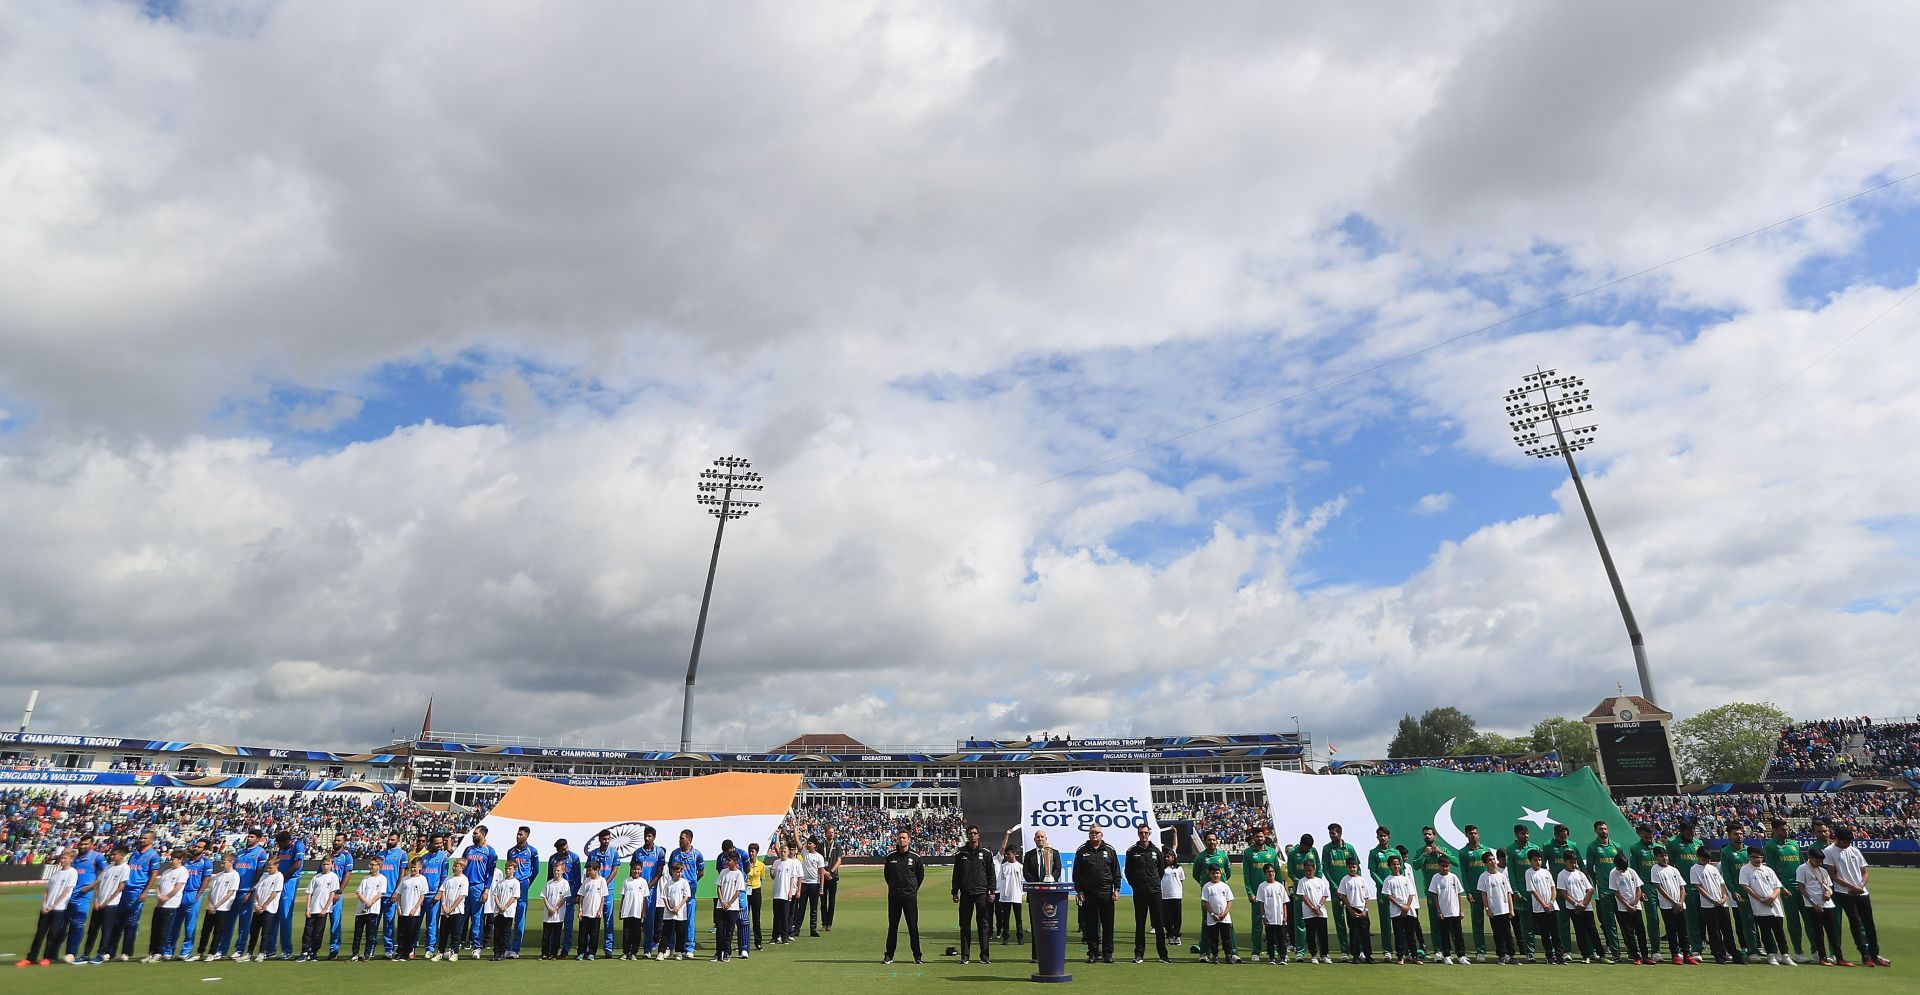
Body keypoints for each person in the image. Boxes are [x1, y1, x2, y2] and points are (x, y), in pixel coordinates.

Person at [1824, 826, 1888, 967]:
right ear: (1837, 839)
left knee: (1869, 924)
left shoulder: (1854, 851)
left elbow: (1864, 872)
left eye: (1849, 841)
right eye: (1845, 841)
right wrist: (1852, 887)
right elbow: (1832, 875)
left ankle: (1875, 954)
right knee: (1856, 923)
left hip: (1862, 892)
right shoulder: (1829, 851)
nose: (1847, 844)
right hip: (1845, 893)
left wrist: (1860, 886)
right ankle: (1865, 956)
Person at [1073, 825, 1120, 964]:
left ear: (1101, 834)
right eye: (1092, 833)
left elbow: (1116, 872)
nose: (1094, 835)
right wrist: (1079, 890)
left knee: (1108, 924)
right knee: (1091, 925)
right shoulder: (1082, 851)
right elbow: (1077, 874)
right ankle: (1093, 953)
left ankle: (1107, 953)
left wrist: (1116, 889)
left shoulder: (1110, 850)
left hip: (1106, 892)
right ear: (1089, 835)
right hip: (1088, 893)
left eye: (1097, 833)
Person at [22, 849, 76, 966]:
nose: (62, 860)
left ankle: (48, 957)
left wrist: (53, 906)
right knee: (40, 933)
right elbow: (47, 890)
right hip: (46, 908)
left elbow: (66, 892)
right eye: (62, 858)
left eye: (65, 858)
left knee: (52, 934)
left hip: (59, 909)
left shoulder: (72, 873)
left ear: (71, 859)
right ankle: (31, 957)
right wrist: (44, 904)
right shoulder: (56, 873)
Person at [950, 824, 995, 965]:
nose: (972, 836)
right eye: (970, 833)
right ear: (967, 836)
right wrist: (954, 891)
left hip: (981, 893)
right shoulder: (961, 853)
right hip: (966, 893)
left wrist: (992, 890)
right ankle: (965, 956)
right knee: (965, 925)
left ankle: (985, 956)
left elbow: (991, 873)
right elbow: (956, 874)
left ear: (978, 835)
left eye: (975, 833)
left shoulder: (986, 852)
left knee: (983, 925)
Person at [1765, 817, 1808, 964]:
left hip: (1801, 887)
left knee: (1809, 920)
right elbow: (1771, 869)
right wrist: (1781, 887)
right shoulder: (1770, 846)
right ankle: (1798, 951)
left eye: (1786, 828)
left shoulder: (1794, 844)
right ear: (1775, 830)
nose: (1786, 831)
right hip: (1786, 889)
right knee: (1793, 921)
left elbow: (1803, 866)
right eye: (1782, 829)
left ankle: (1816, 951)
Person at [1737, 845, 1790, 966]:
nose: (1758, 860)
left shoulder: (1768, 870)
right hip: (1760, 907)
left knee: (1779, 932)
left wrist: (1772, 897)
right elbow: (1746, 886)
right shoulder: (1745, 869)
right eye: (1754, 857)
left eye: (1760, 857)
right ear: (1749, 857)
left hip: (1774, 905)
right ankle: (1771, 955)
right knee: (1765, 932)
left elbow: (1777, 886)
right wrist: (1761, 899)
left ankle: (1785, 955)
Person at [115, 830, 163, 961]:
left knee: (131, 922)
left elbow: (153, 874)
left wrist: (145, 891)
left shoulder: (153, 855)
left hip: (138, 890)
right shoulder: (134, 853)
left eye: (145, 838)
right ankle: (110, 951)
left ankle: (127, 952)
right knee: (118, 921)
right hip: (126, 889)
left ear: (151, 840)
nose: (142, 840)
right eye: (141, 837)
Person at [1124, 823, 1167, 963]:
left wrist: (1154, 882)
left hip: (1155, 891)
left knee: (1159, 925)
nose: (1144, 835)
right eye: (1141, 833)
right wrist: (1135, 885)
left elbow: (1161, 871)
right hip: (1140, 892)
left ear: (1149, 834)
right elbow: (1128, 872)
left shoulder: (1156, 851)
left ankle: (1163, 955)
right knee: (1140, 924)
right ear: (1138, 834)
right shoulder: (1132, 851)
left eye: (1146, 833)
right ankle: (1139, 954)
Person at [880, 830, 925, 965]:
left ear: (909, 840)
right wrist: (894, 888)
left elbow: (920, 876)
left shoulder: (915, 857)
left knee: (912, 927)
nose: (902, 840)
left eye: (904, 838)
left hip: (909, 897)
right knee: (893, 926)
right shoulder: (890, 857)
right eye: (900, 838)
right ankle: (889, 955)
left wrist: (912, 889)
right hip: (894, 897)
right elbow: (887, 876)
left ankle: (917, 956)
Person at [1414, 826, 1458, 961]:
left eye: (1429, 834)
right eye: (1425, 834)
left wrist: (1441, 853)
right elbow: (1415, 865)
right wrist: (1424, 855)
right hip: (1431, 892)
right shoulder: (1421, 851)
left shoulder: (1442, 850)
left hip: (1448, 893)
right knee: (1435, 922)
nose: (1427, 836)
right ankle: (1438, 950)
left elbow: (1456, 862)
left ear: (1435, 836)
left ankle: (1454, 949)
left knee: (1451, 921)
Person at [1796, 849, 1844, 966]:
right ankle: (1822, 958)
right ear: (1810, 857)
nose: (1819, 863)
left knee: (1833, 932)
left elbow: (1829, 886)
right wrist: (1813, 903)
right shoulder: (1802, 869)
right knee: (1818, 932)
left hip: (1828, 905)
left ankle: (1840, 957)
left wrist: (1828, 894)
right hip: (1813, 905)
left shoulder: (1823, 870)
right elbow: (1801, 887)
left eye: (1820, 861)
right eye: (1816, 861)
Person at [1691, 848, 1738, 964]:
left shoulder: (1713, 868)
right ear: (1698, 856)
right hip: (1708, 905)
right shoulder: (1694, 869)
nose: (1705, 861)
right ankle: (1718, 953)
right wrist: (1712, 900)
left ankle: (1731, 952)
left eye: (1707, 859)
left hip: (1722, 903)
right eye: (1703, 859)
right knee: (1714, 930)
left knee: (1727, 929)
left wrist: (1724, 898)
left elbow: (1722, 884)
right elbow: (1698, 887)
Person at [1584, 820, 1623, 960]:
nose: (1604, 831)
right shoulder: (1592, 847)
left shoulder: (1616, 846)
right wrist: (1597, 882)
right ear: (1596, 831)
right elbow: (1589, 868)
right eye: (1600, 829)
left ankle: (1631, 951)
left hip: (1620, 889)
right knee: (1609, 923)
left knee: (1624, 921)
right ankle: (1615, 951)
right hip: (1604, 890)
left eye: (1605, 828)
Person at [1649, 846, 1693, 965]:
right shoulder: (1655, 869)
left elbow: (1682, 887)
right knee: (1671, 931)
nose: (1664, 858)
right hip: (1667, 906)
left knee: (1683, 931)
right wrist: (1674, 902)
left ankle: (1687, 954)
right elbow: (1659, 887)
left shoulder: (1674, 870)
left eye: (1666, 855)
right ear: (1656, 857)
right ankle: (1675, 954)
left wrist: (1680, 902)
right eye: (1661, 856)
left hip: (1680, 905)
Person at [228, 830, 267, 963]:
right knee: (229, 921)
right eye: (248, 836)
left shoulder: (260, 853)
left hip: (246, 891)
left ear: (258, 839)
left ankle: (240, 949)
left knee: (244, 923)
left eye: (252, 837)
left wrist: (251, 891)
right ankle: (222, 949)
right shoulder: (240, 853)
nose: (249, 838)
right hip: (234, 891)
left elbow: (259, 873)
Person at [626, 826, 667, 956]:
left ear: (654, 837)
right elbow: (632, 870)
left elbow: (659, 872)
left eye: (649, 836)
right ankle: (632, 948)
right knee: (634, 918)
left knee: (649, 919)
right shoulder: (638, 852)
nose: (647, 838)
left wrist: (647, 886)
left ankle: (648, 948)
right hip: (636, 890)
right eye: (645, 835)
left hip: (651, 890)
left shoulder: (659, 852)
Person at [1457, 824, 1495, 960]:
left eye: (1475, 833)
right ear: (1466, 835)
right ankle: (1480, 951)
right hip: (1475, 891)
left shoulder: (1485, 850)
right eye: (1471, 833)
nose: (1474, 836)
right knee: (1477, 921)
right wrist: (1468, 892)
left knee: (1496, 920)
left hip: (1490, 891)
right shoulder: (1463, 853)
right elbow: (1464, 873)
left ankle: (1501, 951)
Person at [192, 853, 239, 962]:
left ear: (231, 862)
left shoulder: (235, 875)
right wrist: (210, 904)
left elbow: (230, 892)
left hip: (223, 908)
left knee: (218, 931)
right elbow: (211, 891)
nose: (222, 865)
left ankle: (212, 953)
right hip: (211, 907)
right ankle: (200, 952)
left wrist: (217, 905)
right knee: (205, 931)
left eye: (224, 863)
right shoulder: (218, 875)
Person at [144, 850, 189, 963]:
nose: (171, 861)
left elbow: (178, 887)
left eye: (173, 859)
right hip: (159, 904)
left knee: (164, 930)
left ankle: (159, 952)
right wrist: (159, 895)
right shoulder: (167, 871)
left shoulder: (183, 871)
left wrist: (167, 897)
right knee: (155, 929)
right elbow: (159, 886)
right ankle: (152, 951)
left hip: (171, 904)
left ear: (180, 860)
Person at [1556, 850, 1601, 963]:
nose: (1574, 864)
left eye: (1575, 862)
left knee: (1592, 930)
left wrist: (1583, 904)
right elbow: (1564, 893)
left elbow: (1590, 889)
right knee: (1580, 931)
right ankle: (1585, 955)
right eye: (1571, 862)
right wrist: (1576, 904)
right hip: (1573, 908)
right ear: (1565, 861)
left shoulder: (1580, 873)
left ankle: (1601, 953)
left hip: (1586, 907)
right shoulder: (1562, 875)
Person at [88, 845, 130, 964]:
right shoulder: (108, 867)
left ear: (121, 855)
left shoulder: (125, 868)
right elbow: (99, 883)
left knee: (106, 930)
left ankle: (101, 954)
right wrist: (96, 900)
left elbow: (121, 886)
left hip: (111, 905)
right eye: (112, 854)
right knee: (92, 929)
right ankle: (86, 953)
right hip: (99, 903)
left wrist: (107, 901)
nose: (112, 856)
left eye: (115, 854)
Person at [1628, 823, 1665, 960]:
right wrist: (1641, 890)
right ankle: (1655, 950)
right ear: (1640, 834)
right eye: (1646, 837)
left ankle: (1676, 949)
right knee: (1653, 919)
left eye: (1651, 837)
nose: (1649, 839)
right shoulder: (1635, 849)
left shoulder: (1659, 848)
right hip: (1647, 886)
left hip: (1662, 886)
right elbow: (1635, 871)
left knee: (1670, 917)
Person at [1474, 850, 1517, 965]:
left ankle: (1511, 955)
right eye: (1490, 860)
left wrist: (1511, 909)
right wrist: (1487, 909)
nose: (1493, 862)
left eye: (1493, 859)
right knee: (1497, 934)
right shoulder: (1483, 877)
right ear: (1485, 863)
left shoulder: (1502, 876)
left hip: (1505, 909)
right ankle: (1501, 956)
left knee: (1508, 933)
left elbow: (1508, 893)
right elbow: (1484, 894)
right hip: (1494, 911)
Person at [1321, 824, 1358, 956]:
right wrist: (1334, 886)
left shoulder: (1349, 848)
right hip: (1336, 890)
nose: (1331, 836)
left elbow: (1357, 865)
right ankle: (1344, 950)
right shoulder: (1327, 849)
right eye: (1330, 833)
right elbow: (1325, 869)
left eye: (1333, 833)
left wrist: (1357, 884)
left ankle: (1357, 949)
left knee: (1354, 920)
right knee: (1339, 920)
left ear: (1340, 833)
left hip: (1351, 890)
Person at [1721, 826, 1758, 962]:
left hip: (1755, 892)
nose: (1739, 836)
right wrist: (1733, 890)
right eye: (1735, 834)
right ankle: (1748, 947)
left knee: (1758, 921)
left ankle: (1758, 946)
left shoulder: (1749, 850)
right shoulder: (1726, 852)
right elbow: (1727, 874)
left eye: (1741, 833)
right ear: (1729, 836)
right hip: (1739, 893)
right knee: (1744, 921)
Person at [1241, 828, 1279, 958]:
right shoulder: (1248, 853)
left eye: (1262, 836)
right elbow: (1246, 875)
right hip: (1257, 895)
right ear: (1253, 838)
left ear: (1265, 837)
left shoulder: (1272, 852)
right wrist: (1250, 893)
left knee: (1273, 924)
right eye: (1257, 837)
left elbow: (1277, 873)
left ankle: (1273, 951)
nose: (1260, 839)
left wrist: (1279, 891)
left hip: (1272, 894)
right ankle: (1256, 951)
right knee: (1257, 924)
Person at [237, 853, 281, 962]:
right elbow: (256, 892)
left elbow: (274, 894)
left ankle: (262, 952)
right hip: (257, 908)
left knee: (265, 933)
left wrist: (264, 905)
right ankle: (249, 952)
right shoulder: (264, 877)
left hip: (269, 909)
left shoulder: (279, 876)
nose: (268, 869)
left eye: (270, 867)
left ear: (276, 865)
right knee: (254, 931)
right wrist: (256, 905)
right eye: (267, 867)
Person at [1608, 853, 1652, 965]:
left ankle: (1645, 955)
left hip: (1636, 907)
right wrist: (1627, 905)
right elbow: (1616, 892)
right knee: (1629, 933)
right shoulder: (1613, 873)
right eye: (1622, 868)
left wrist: (1635, 902)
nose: (1624, 871)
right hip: (1623, 908)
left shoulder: (1631, 871)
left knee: (1641, 932)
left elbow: (1638, 888)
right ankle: (1635, 956)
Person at [296, 854, 340, 962]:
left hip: (322, 910)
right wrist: (308, 909)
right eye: (324, 864)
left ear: (331, 865)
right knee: (307, 932)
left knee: (318, 933)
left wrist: (325, 909)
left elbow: (332, 894)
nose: (325, 866)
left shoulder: (333, 877)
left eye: (327, 864)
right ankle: (305, 951)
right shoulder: (316, 877)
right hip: (313, 909)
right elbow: (310, 894)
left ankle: (314, 952)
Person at [462, 825, 499, 953]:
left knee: (477, 916)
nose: (473, 836)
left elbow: (490, 873)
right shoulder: (468, 850)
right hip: (464, 886)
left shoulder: (490, 851)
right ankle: (457, 944)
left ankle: (477, 945)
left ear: (483, 835)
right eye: (473, 834)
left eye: (476, 834)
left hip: (478, 886)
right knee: (461, 915)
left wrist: (487, 889)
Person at [1505, 824, 1540, 960]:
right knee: (1526, 923)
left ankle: (1551, 950)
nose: (1525, 836)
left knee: (1544, 921)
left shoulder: (1535, 848)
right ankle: (1529, 953)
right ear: (1516, 835)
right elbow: (1512, 873)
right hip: (1522, 889)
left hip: (1537, 889)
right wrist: (1515, 891)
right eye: (1521, 833)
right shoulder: (1511, 850)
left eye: (1526, 833)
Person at [270, 829, 305, 960]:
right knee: (272, 914)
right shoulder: (282, 848)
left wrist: (282, 877)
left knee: (285, 915)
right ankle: (270, 949)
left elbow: (297, 865)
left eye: (280, 844)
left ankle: (286, 949)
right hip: (280, 879)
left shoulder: (297, 845)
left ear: (287, 841)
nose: (279, 847)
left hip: (290, 881)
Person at [1367, 827, 1401, 960]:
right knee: (1385, 921)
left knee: (1399, 922)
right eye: (1380, 836)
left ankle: (1401, 950)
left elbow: (1401, 870)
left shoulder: (1395, 852)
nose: (1382, 838)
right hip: (1382, 892)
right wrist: (1384, 886)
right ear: (1377, 837)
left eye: (1385, 835)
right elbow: (1373, 872)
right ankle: (1387, 950)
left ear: (1389, 837)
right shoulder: (1374, 852)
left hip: (1397, 892)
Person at [1424, 854, 1466, 964]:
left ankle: (1461, 955)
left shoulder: (1453, 877)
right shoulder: (1436, 878)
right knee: (1444, 935)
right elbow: (1435, 896)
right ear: (1439, 866)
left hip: (1455, 911)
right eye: (1443, 866)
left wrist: (1461, 910)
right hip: (1443, 912)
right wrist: (1438, 911)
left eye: (1447, 866)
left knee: (1458, 935)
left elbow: (1459, 894)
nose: (1445, 868)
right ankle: (1447, 955)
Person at [1523, 850, 1562, 964]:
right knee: (1545, 934)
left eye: (1539, 860)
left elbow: (1553, 888)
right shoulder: (1528, 873)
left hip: (1552, 907)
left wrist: (1551, 902)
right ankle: (1549, 955)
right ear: (1530, 861)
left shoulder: (1546, 872)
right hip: (1539, 909)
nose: (1538, 862)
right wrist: (1543, 904)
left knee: (1556, 933)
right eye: (1535, 860)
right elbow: (1532, 891)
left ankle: (1559, 955)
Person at [545, 838, 582, 957]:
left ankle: (565, 949)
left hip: (569, 896)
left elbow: (577, 878)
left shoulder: (574, 858)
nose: (566, 850)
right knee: (554, 923)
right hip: (555, 896)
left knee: (568, 924)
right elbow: (549, 878)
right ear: (558, 850)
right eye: (563, 849)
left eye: (566, 847)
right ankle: (551, 950)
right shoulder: (553, 859)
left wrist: (576, 895)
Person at [1381, 854, 1420, 964]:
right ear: (1389, 866)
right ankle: (1400, 956)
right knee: (1399, 935)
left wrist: (1407, 906)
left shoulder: (1406, 879)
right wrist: (1400, 906)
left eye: (1398, 864)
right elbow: (1388, 896)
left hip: (1409, 910)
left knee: (1411, 935)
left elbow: (1411, 894)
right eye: (1394, 864)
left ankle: (1414, 956)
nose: (1396, 866)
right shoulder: (1388, 880)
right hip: (1396, 911)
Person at [583, 830, 617, 958]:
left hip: (609, 889)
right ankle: (588, 948)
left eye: (608, 839)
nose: (606, 841)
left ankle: (608, 948)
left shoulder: (613, 852)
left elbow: (615, 869)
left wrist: (605, 883)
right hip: (593, 890)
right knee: (590, 917)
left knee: (608, 919)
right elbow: (587, 870)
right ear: (599, 839)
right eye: (604, 839)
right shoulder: (593, 853)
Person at [1335, 856, 1374, 963]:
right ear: (1347, 868)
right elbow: (1343, 896)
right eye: (1350, 867)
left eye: (1354, 867)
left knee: (1365, 934)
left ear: (1357, 867)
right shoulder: (1345, 880)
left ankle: (1368, 955)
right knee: (1354, 934)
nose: (1352, 869)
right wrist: (1350, 910)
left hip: (1362, 909)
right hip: (1351, 909)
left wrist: (1365, 911)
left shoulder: (1362, 880)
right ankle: (1355, 956)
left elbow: (1367, 897)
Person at [672, 830, 706, 956]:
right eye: (679, 838)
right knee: (673, 919)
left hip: (690, 893)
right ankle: (672, 946)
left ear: (689, 840)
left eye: (682, 838)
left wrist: (692, 882)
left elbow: (701, 872)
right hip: (676, 894)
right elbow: (672, 870)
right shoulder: (675, 853)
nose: (680, 840)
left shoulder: (697, 854)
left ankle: (689, 948)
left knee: (689, 921)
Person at [431, 855, 469, 961]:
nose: (454, 868)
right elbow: (442, 892)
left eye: (456, 866)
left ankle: (454, 952)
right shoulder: (448, 878)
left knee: (456, 933)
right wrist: (444, 906)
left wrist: (451, 908)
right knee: (443, 932)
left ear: (462, 867)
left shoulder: (464, 880)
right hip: (445, 911)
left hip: (457, 911)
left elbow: (461, 896)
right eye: (453, 866)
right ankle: (440, 952)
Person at [350, 854, 388, 962]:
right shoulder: (365, 879)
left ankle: (367, 954)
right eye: (370, 864)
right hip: (361, 910)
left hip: (373, 910)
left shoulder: (382, 879)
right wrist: (365, 902)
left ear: (379, 866)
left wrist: (370, 902)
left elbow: (380, 893)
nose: (370, 866)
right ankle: (355, 954)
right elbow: (359, 892)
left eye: (373, 864)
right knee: (358, 933)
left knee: (370, 934)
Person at [1198, 863, 1236, 963]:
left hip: (1225, 917)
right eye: (1213, 873)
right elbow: (1205, 901)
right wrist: (1212, 914)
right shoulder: (1207, 886)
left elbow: (1230, 900)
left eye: (1217, 873)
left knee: (1226, 938)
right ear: (1209, 874)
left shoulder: (1224, 886)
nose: (1215, 875)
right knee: (1213, 938)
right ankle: (1215, 956)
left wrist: (1224, 913)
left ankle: (1228, 955)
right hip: (1212, 917)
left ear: (1221, 873)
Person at [1284, 832, 1316, 954]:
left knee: (1315, 918)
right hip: (1299, 889)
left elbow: (1318, 869)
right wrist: (1301, 882)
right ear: (1301, 844)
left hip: (1313, 890)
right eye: (1306, 847)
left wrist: (1315, 881)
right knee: (1300, 920)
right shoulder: (1293, 853)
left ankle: (1314, 948)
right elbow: (1291, 872)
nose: (1308, 849)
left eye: (1310, 847)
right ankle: (1300, 949)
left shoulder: (1313, 851)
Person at [376, 832, 407, 957]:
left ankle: (388, 949)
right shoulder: (380, 854)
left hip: (391, 894)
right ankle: (370, 949)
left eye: (393, 839)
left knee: (389, 923)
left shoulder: (401, 854)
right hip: (377, 895)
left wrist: (396, 891)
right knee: (374, 923)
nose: (390, 841)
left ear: (398, 840)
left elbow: (402, 874)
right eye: (389, 839)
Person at [1295, 857, 1331, 964]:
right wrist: (1312, 907)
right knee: (1311, 935)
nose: (1308, 872)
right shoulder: (1302, 882)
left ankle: (1324, 954)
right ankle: (1313, 954)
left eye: (1310, 870)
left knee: (1323, 934)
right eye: (1306, 870)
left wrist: (1319, 906)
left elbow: (1324, 895)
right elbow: (1303, 896)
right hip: (1309, 913)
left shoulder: (1320, 881)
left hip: (1321, 913)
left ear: (1314, 869)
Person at [1253, 863, 1289, 964]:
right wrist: (1263, 916)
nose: (1271, 873)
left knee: (1281, 939)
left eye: (1272, 871)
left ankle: (1282, 957)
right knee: (1270, 939)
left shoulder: (1280, 886)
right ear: (1264, 873)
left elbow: (1284, 902)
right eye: (1268, 872)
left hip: (1280, 916)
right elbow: (1261, 902)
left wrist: (1285, 916)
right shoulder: (1262, 886)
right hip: (1269, 917)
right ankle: (1271, 957)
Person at [483, 861, 519, 961]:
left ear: (514, 870)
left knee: (506, 933)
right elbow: (495, 895)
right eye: (506, 868)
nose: (507, 870)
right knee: (497, 932)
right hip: (498, 912)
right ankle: (496, 952)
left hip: (508, 912)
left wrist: (505, 907)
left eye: (510, 869)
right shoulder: (500, 882)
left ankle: (502, 952)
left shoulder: (515, 882)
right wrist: (499, 906)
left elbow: (514, 897)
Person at [618, 854, 652, 960]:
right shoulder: (626, 881)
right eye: (634, 869)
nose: (636, 871)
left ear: (641, 870)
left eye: (638, 869)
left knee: (636, 933)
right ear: (631, 869)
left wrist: (643, 911)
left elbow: (644, 899)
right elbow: (623, 897)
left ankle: (633, 952)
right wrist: (620, 911)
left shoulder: (643, 882)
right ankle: (625, 952)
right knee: (626, 933)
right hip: (627, 911)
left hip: (637, 912)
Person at [657, 858, 691, 961]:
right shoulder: (668, 883)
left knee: (680, 933)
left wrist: (678, 908)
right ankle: (661, 952)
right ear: (673, 871)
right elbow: (665, 897)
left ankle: (679, 952)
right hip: (668, 913)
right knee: (666, 933)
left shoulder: (684, 883)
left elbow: (686, 896)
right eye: (677, 871)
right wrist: (669, 908)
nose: (679, 874)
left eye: (681, 871)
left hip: (680, 913)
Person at [394, 858, 429, 960]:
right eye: (411, 867)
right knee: (401, 932)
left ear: (420, 868)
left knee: (411, 933)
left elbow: (422, 896)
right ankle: (400, 951)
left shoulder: (422, 879)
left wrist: (415, 908)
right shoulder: (405, 879)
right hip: (403, 910)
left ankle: (407, 952)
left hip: (414, 911)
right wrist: (399, 907)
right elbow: (399, 894)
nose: (413, 869)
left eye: (415, 867)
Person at [325, 839, 353, 959]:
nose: (336, 842)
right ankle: (312, 949)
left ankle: (334, 949)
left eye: (339, 840)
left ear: (344, 842)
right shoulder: (328, 856)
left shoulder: (347, 856)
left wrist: (339, 892)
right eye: (335, 840)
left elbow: (347, 875)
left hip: (336, 894)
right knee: (318, 922)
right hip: (324, 893)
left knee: (335, 923)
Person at [712, 853, 743, 963]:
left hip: (732, 907)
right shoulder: (723, 872)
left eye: (729, 860)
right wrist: (723, 901)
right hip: (721, 906)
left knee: (729, 931)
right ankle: (718, 952)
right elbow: (719, 887)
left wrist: (729, 903)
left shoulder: (738, 874)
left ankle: (726, 952)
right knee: (720, 930)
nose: (727, 862)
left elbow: (738, 891)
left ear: (735, 861)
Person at [995, 843, 1026, 950]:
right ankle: (1005, 937)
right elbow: (1000, 881)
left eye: (1009, 854)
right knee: (1005, 919)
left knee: (1018, 919)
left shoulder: (1020, 867)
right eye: (1006, 854)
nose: (1007, 856)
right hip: (1005, 896)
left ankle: (1020, 937)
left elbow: (1023, 881)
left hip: (1017, 895)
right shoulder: (1003, 867)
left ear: (1014, 854)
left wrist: (1021, 893)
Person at [576, 860, 608, 961]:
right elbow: (581, 897)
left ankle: (591, 953)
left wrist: (600, 910)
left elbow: (603, 897)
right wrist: (580, 910)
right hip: (585, 913)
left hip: (595, 914)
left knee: (594, 935)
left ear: (597, 870)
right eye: (588, 870)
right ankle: (581, 952)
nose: (588, 872)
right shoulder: (586, 881)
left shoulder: (602, 881)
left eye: (590, 870)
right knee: (583, 934)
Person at [539, 861, 571, 960]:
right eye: (554, 870)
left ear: (562, 871)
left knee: (556, 936)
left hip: (558, 915)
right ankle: (545, 953)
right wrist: (549, 908)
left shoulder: (565, 883)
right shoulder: (549, 883)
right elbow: (544, 897)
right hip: (548, 915)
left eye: (558, 870)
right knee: (546, 936)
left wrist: (556, 908)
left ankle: (554, 953)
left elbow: (564, 897)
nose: (556, 872)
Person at [1158, 847, 1185, 949]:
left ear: (1173, 857)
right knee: (1167, 917)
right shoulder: (1162, 868)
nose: (1167, 859)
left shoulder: (1178, 868)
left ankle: (1176, 935)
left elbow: (1181, 880)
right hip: (1165, 895)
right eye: (1165, 857)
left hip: (1176, 895)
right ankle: (1169, 935)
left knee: (1177, 917)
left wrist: (1179, 891)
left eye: (1169, 857)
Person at [820, 826, 846, 933]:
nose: (831, 834)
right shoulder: (821, 845)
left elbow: (839, 860)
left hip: (833, 877)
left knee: (831, 902)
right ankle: (824, 923)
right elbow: (819, 861)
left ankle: (829, 923)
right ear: (825, 833)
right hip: (822, 877)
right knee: (822, 902)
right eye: (829, 832)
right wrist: (824, 873)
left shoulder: (837, 845)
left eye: (833, 832)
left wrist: (830, 872)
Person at [745, 842, 766, 950]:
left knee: (756, 919)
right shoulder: (745, 863)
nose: (751, 853)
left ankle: (758, 942)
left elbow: (761, 878)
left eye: (753, 851)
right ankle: (744, 942)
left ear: (757, 852)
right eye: (749, 851)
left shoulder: (761, 865)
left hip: (756, 891)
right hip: (746, 891)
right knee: (745, 918)